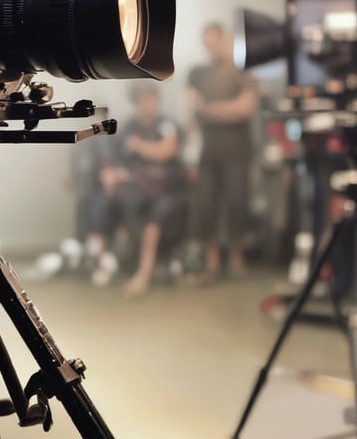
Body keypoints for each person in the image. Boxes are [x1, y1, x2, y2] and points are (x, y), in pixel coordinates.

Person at [84, 84, 186, 295]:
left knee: (155, 215)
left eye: (150, 99)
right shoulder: (129, 126)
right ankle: (109, 262)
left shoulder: (166, 124)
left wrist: (140, 145)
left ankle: (143, 274)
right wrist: (114, 174)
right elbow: (119, 161)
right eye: (142, 100)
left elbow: (166, 151)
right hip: (136, 186)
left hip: (164, 187)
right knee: (104, 202)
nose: (147, 104)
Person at [187, 22, 258, 279]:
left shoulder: (242, 72)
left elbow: (244, 108)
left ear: (225, 40)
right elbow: (191, 110)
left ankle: (236, 259)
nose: (212, 47)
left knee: (238, 204)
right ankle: (212, 263)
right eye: (207, 43)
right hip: (208, 153)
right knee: (206, 207)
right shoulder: (197, 73)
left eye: (215, 41)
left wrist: (208, 109)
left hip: (237, 152)